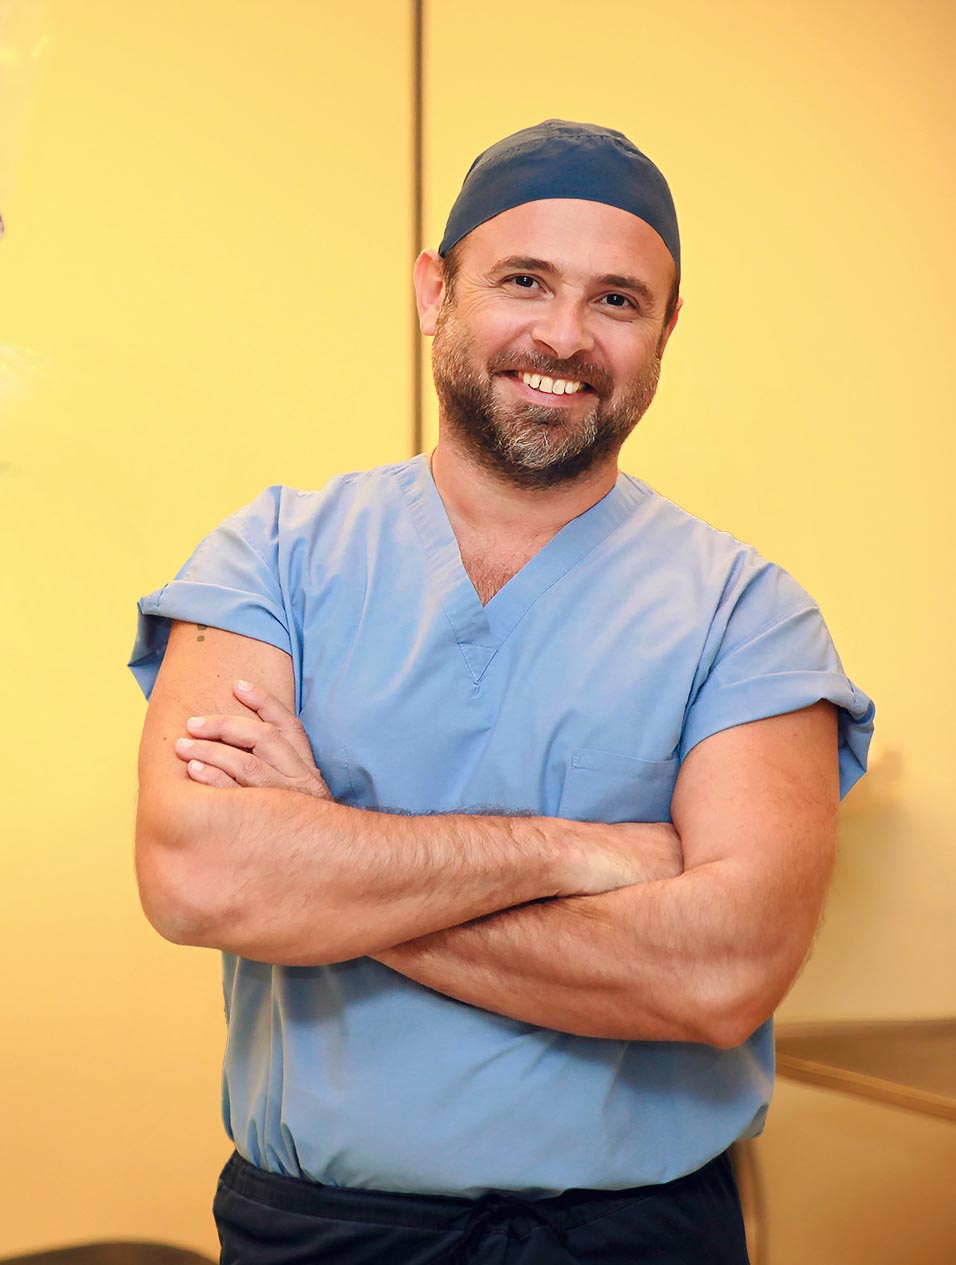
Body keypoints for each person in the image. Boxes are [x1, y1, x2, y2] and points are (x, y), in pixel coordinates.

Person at [130, 120, 874, 1264]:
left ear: (664, 329)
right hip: (322, 1236)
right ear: (434, 291)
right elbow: (199, 876)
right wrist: (574, 852)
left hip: (631, 1238)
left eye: (615, 300)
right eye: (523, 280)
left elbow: (723, 970)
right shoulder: (272, 557)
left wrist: (323, 865)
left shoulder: (745, 614)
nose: (563, 335)